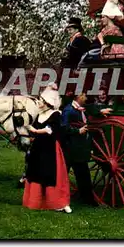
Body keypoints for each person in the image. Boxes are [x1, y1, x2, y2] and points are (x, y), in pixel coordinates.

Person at [22, 85, 72, 213]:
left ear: (47, 103)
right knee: (35, 172)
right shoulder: (39, 114)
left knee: (50, 173)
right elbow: (32, 129)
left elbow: (50, 131)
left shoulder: (55, 115)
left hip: (50, 149)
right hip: (38, 148)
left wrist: (35, 130)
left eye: (41, 100)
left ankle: (57, 202)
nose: (38, 102)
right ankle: (36, 201)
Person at [61, 92, 112, 207]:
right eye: (83, 95)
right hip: (71, 147)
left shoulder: (81, 108)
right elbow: (63, 128)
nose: (86, 97)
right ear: (77, 97)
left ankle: (87, 199)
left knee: (82, 173)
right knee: (70, 173)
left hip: (80, 146)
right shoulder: (69, 111)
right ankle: (63, 198)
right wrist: (77, 131)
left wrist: (100, 112)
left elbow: (90, 110)